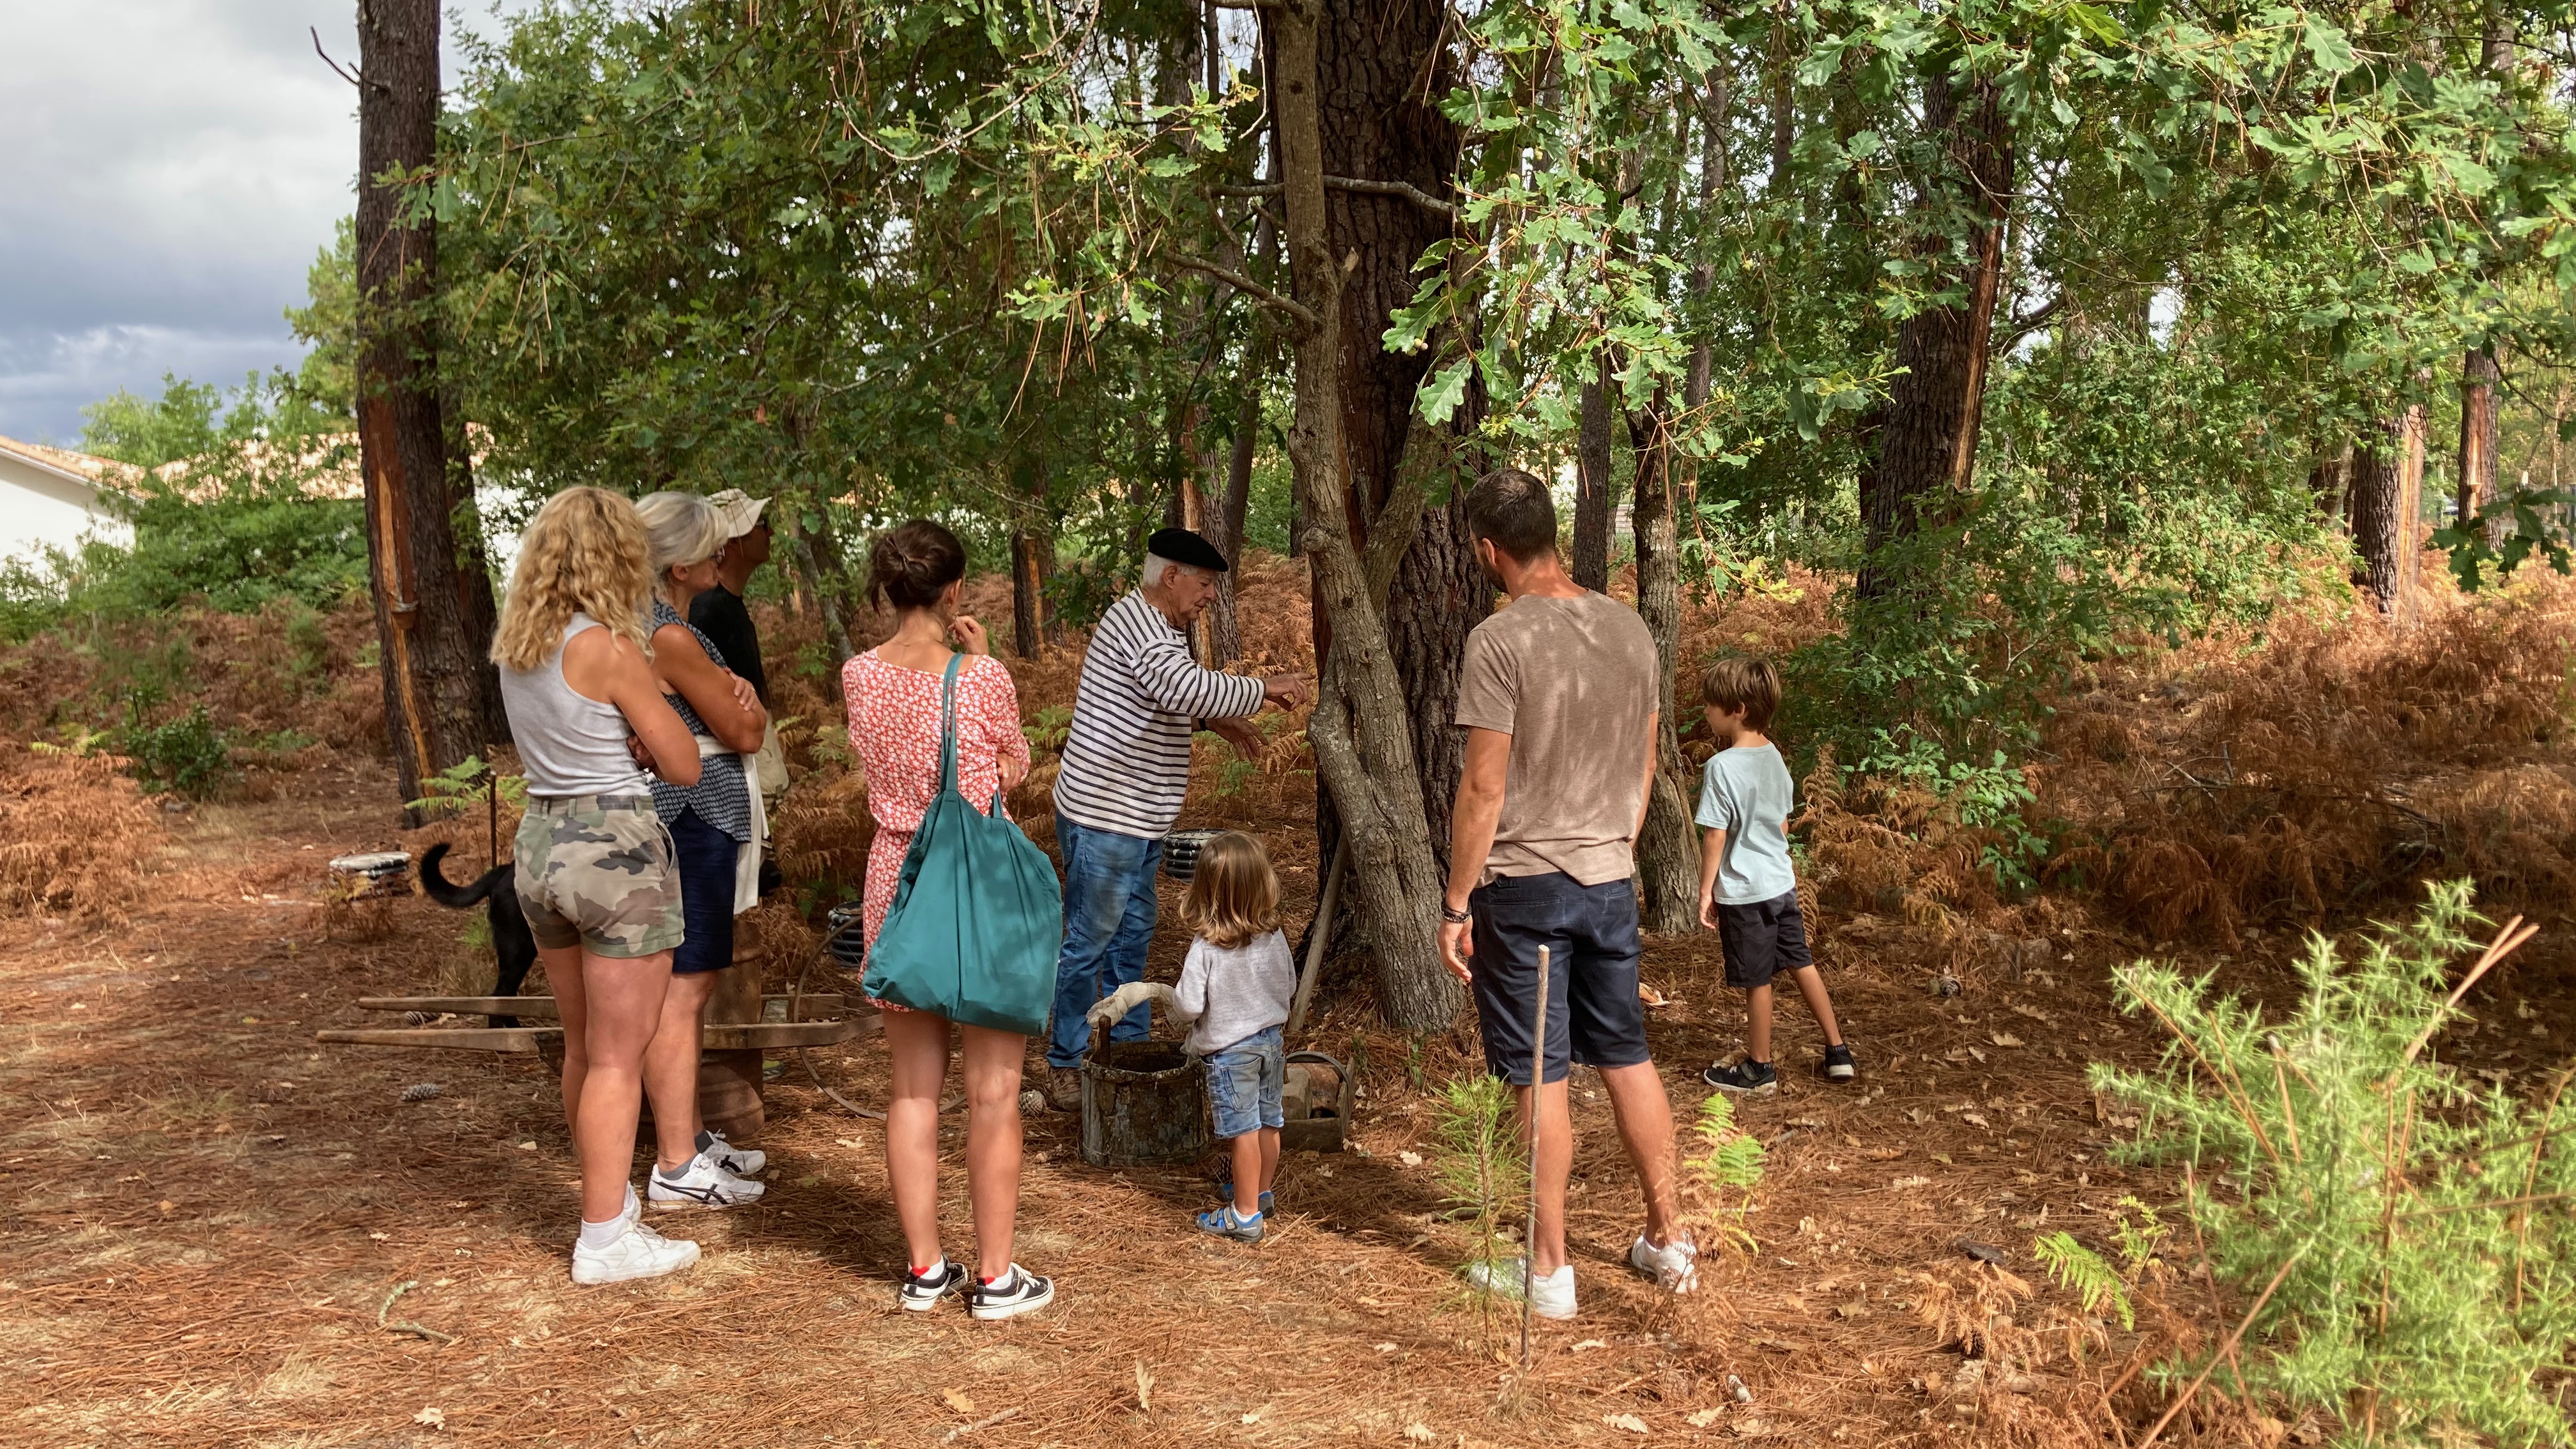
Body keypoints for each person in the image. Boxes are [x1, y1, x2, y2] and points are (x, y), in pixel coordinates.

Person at [1436, 467, 1694, 1321]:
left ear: (1487, 548)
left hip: (1525, 888)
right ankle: (1670, 1237)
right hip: (1609, 879)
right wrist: (1617, 842)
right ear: (1551, 531)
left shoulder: (1501, 640)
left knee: (1538, 1073)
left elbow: (1483, 786)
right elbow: (1648, 760)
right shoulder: (1628, 631)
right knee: (1627, 1055)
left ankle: (1548, 1272)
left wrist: (1455, 903)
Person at [490, 486, 705, 1285]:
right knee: (622, 1055)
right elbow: (681, 761)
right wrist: (649, 740)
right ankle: (604, 1240)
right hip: (612, 845)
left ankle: (606, 1206)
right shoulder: (611, 647)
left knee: (585, 1047)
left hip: (542, 840)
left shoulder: (520, 646)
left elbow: (573, 740)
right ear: (614, 556)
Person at [841, 519, 1054, 1320]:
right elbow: (1010, 769)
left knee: (911, 1089)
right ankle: (996, 1281)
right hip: (977, 883)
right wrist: (984, 659)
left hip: (897, 882)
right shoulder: (983, 677)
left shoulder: (858, 676)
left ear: (888, 590)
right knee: (995, 1089)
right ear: (953, 590)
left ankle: (925, 1270)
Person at [1043, 528, 1308, 1110]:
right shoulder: (1140, 627)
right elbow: (1182, 685)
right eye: (1206, 583)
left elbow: (1156, 703)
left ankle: (1128, 1045)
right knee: (1090, 942)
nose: (1211, 596)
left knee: (1132, 934)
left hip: (1137, 817)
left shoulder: (1161, 629)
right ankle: (1066, 1062)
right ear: (1171, 577)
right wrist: (1263, 689)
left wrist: (1213, 721)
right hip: (1107, 815)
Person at [632, 492, 772, 1208]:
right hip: (693, 815)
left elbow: (747, 715)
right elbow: (747, 731)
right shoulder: (671, 638)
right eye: (714, 548)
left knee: (692, 984)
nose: (725, 557)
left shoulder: (662, 627)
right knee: (684, 989)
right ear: (680, 565)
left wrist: (743, 703)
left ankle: (685, 1134)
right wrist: (742, 703)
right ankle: (677, 1162)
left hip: (697, 813)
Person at [1693, 659, 1855, 1094]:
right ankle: (1838, 1050)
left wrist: (1706, 889)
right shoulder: (1774, 756)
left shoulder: (1722, 767)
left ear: (1739, 709)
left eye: (1713, 704)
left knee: (1757, 978)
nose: (1706, 711)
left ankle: (1759, 1067)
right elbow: (1783, 823)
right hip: (1781, 883)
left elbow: (1715, 834)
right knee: (1801, 961)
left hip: (1745, 891)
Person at [1172, 832, 1294, 1243]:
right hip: (1272, 1044)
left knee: (1242, 1131)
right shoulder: (1274, 936)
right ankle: (1259, 1193)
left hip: (1231, 1055)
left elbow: (1187, 1005)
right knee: (1268, 1123)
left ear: (1206, 892)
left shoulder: (1206, 946)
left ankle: (1244, 1216)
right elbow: (1289, 984)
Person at [689, 489, 790, 825]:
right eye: (762, 524)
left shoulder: (727, 604)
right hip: (732, 768)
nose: (770, 532)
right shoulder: (704, 610)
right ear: (733, 541)